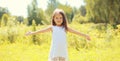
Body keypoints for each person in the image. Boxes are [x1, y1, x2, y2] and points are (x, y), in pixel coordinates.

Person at [26, 8, 91, 61]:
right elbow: (42, 31)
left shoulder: (65, 28)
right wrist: (32, 33)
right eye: (56, 18)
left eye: (60, 18)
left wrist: (85, 35)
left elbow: (75, 32)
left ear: (63, 19)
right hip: (55, 51)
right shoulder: (52, 28)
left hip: (62, 51)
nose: (58, 19)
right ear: (53, 19)